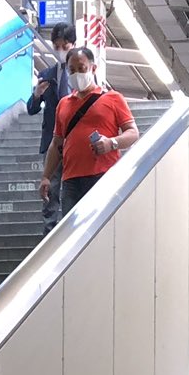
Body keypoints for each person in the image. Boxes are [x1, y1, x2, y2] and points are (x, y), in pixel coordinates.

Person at [38, 47, 138, 221]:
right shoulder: (63, 104)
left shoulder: (113, 98)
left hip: (104, 175)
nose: (77, 74)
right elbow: (56, 143)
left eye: (81, 68)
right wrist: (46, 177)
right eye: (72, 70)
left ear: (93, 68)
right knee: (72, 231)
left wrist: (111, 143)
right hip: (71, 180)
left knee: (103, 228)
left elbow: (133, 132)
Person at [25, 23, 76, 231]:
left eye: (65, 46)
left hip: (75, 141)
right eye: (57, 46)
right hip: (52, 142)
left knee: (72, 187)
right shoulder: (46, 74)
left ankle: (72, 229)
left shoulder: (81, 74)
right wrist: (37, 94)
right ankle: (50, 232)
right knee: (51, 188)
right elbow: (31, 109)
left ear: (73, 44)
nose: (61, 50)